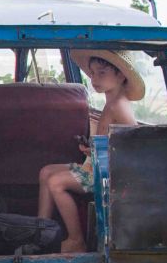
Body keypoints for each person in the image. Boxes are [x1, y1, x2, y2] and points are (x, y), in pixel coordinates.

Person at [37, 50, 145, 252]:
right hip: (94, 164)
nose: (95, 79)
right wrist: (92, 150)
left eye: (102, 73)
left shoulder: (119, 106)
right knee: (46, 171)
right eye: (93, 73)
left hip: (104, 174)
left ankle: (76, 239)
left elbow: (134, 143)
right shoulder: (110, 103)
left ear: (121, 75)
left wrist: (102, 155)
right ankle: (40, 229)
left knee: (55, 182)